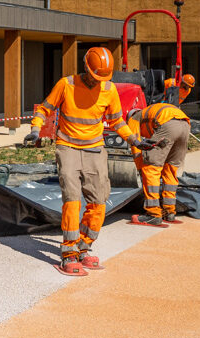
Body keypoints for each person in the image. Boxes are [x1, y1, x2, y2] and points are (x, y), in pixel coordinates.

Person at [26, 47, 152, 277]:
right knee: (73, 201)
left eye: (101, 79)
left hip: (95, 150)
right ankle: (68, 253)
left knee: (99, 202)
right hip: (68, 148)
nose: (97, 83)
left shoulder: (109, 89)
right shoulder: (66, 84)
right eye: (95, 78)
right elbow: (45, 108)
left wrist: (134, 139)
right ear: (86, 67)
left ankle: (83, 247)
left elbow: (116, 121)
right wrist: (36, 130)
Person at [127, 101, 191, 226]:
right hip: (185, 125)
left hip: (168, 125)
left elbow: (136, 146)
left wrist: (140, 167)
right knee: (170, 169)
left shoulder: (134, 119)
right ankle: (169, 212)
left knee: (150, 168)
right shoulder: (150, 113)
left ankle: (153, 214)